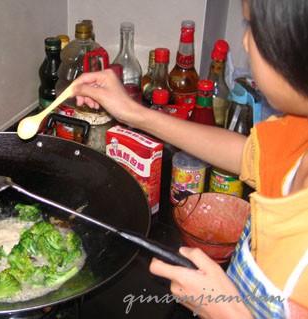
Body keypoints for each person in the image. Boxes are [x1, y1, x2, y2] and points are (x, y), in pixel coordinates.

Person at [70, 0, 308, 318]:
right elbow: (248, 155)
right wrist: (134, 113)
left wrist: (230, 314)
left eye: (255, 27)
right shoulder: (299, 128)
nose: (245, 41)